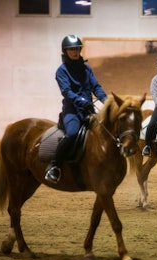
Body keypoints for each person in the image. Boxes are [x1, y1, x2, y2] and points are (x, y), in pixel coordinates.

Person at [45, 34, 108, 183]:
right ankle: (55, 166)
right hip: (72, 110)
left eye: (77, 49)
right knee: (72, 133)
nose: (74, 52)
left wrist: (107, 100)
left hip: (88, 110)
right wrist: (81, 101)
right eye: (71, 49)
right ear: (65, 51)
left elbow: (96, 87)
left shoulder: (86, 68)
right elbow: (66, 92)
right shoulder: (61, 70)